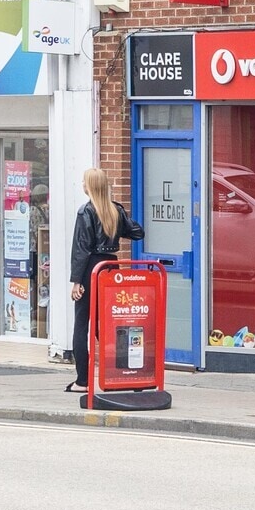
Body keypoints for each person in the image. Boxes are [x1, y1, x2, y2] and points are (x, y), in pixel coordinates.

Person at [68, 168, 143, 394]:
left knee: (82, 324)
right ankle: (124, 372)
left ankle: (83, 381)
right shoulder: (115, 210)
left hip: (91, 268)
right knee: (109, 323)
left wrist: (76, 281)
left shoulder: (86, 211)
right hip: (111, 267)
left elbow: (81, 249)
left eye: (84, 181)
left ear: (90, 186)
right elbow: (138, 232)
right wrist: (118, 222)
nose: (82, 184)